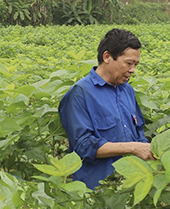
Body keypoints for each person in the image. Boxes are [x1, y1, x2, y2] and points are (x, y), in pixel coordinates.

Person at [59, 28, 154, 189]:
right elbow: (83, 145)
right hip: (96, 189)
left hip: (129, 185)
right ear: (107, 57)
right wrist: (133, 147)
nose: (133, 70)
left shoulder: (127, 91)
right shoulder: (80, 93)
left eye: (136, 64)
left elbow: (139, 135)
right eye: (129, 63)